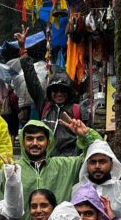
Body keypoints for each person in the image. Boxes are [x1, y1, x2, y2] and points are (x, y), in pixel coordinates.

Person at [11, 117, 101, 220]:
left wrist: (86, 136)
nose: (35, 143)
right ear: (23, 142)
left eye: (40, 139)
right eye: (30, 139)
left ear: (48, 142)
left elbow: (96, 154)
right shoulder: (13, 169)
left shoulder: (65, 166)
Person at [16, 26, 83, 156]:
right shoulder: (45, 105)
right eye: (55, 90)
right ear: (50, 91)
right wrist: (23, 50)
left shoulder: (78, 110)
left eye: (63, 90)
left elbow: (87, 137)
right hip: (46, 160)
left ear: (69, 92)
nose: (59, 94)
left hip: (70, 163)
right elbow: (32, 80)